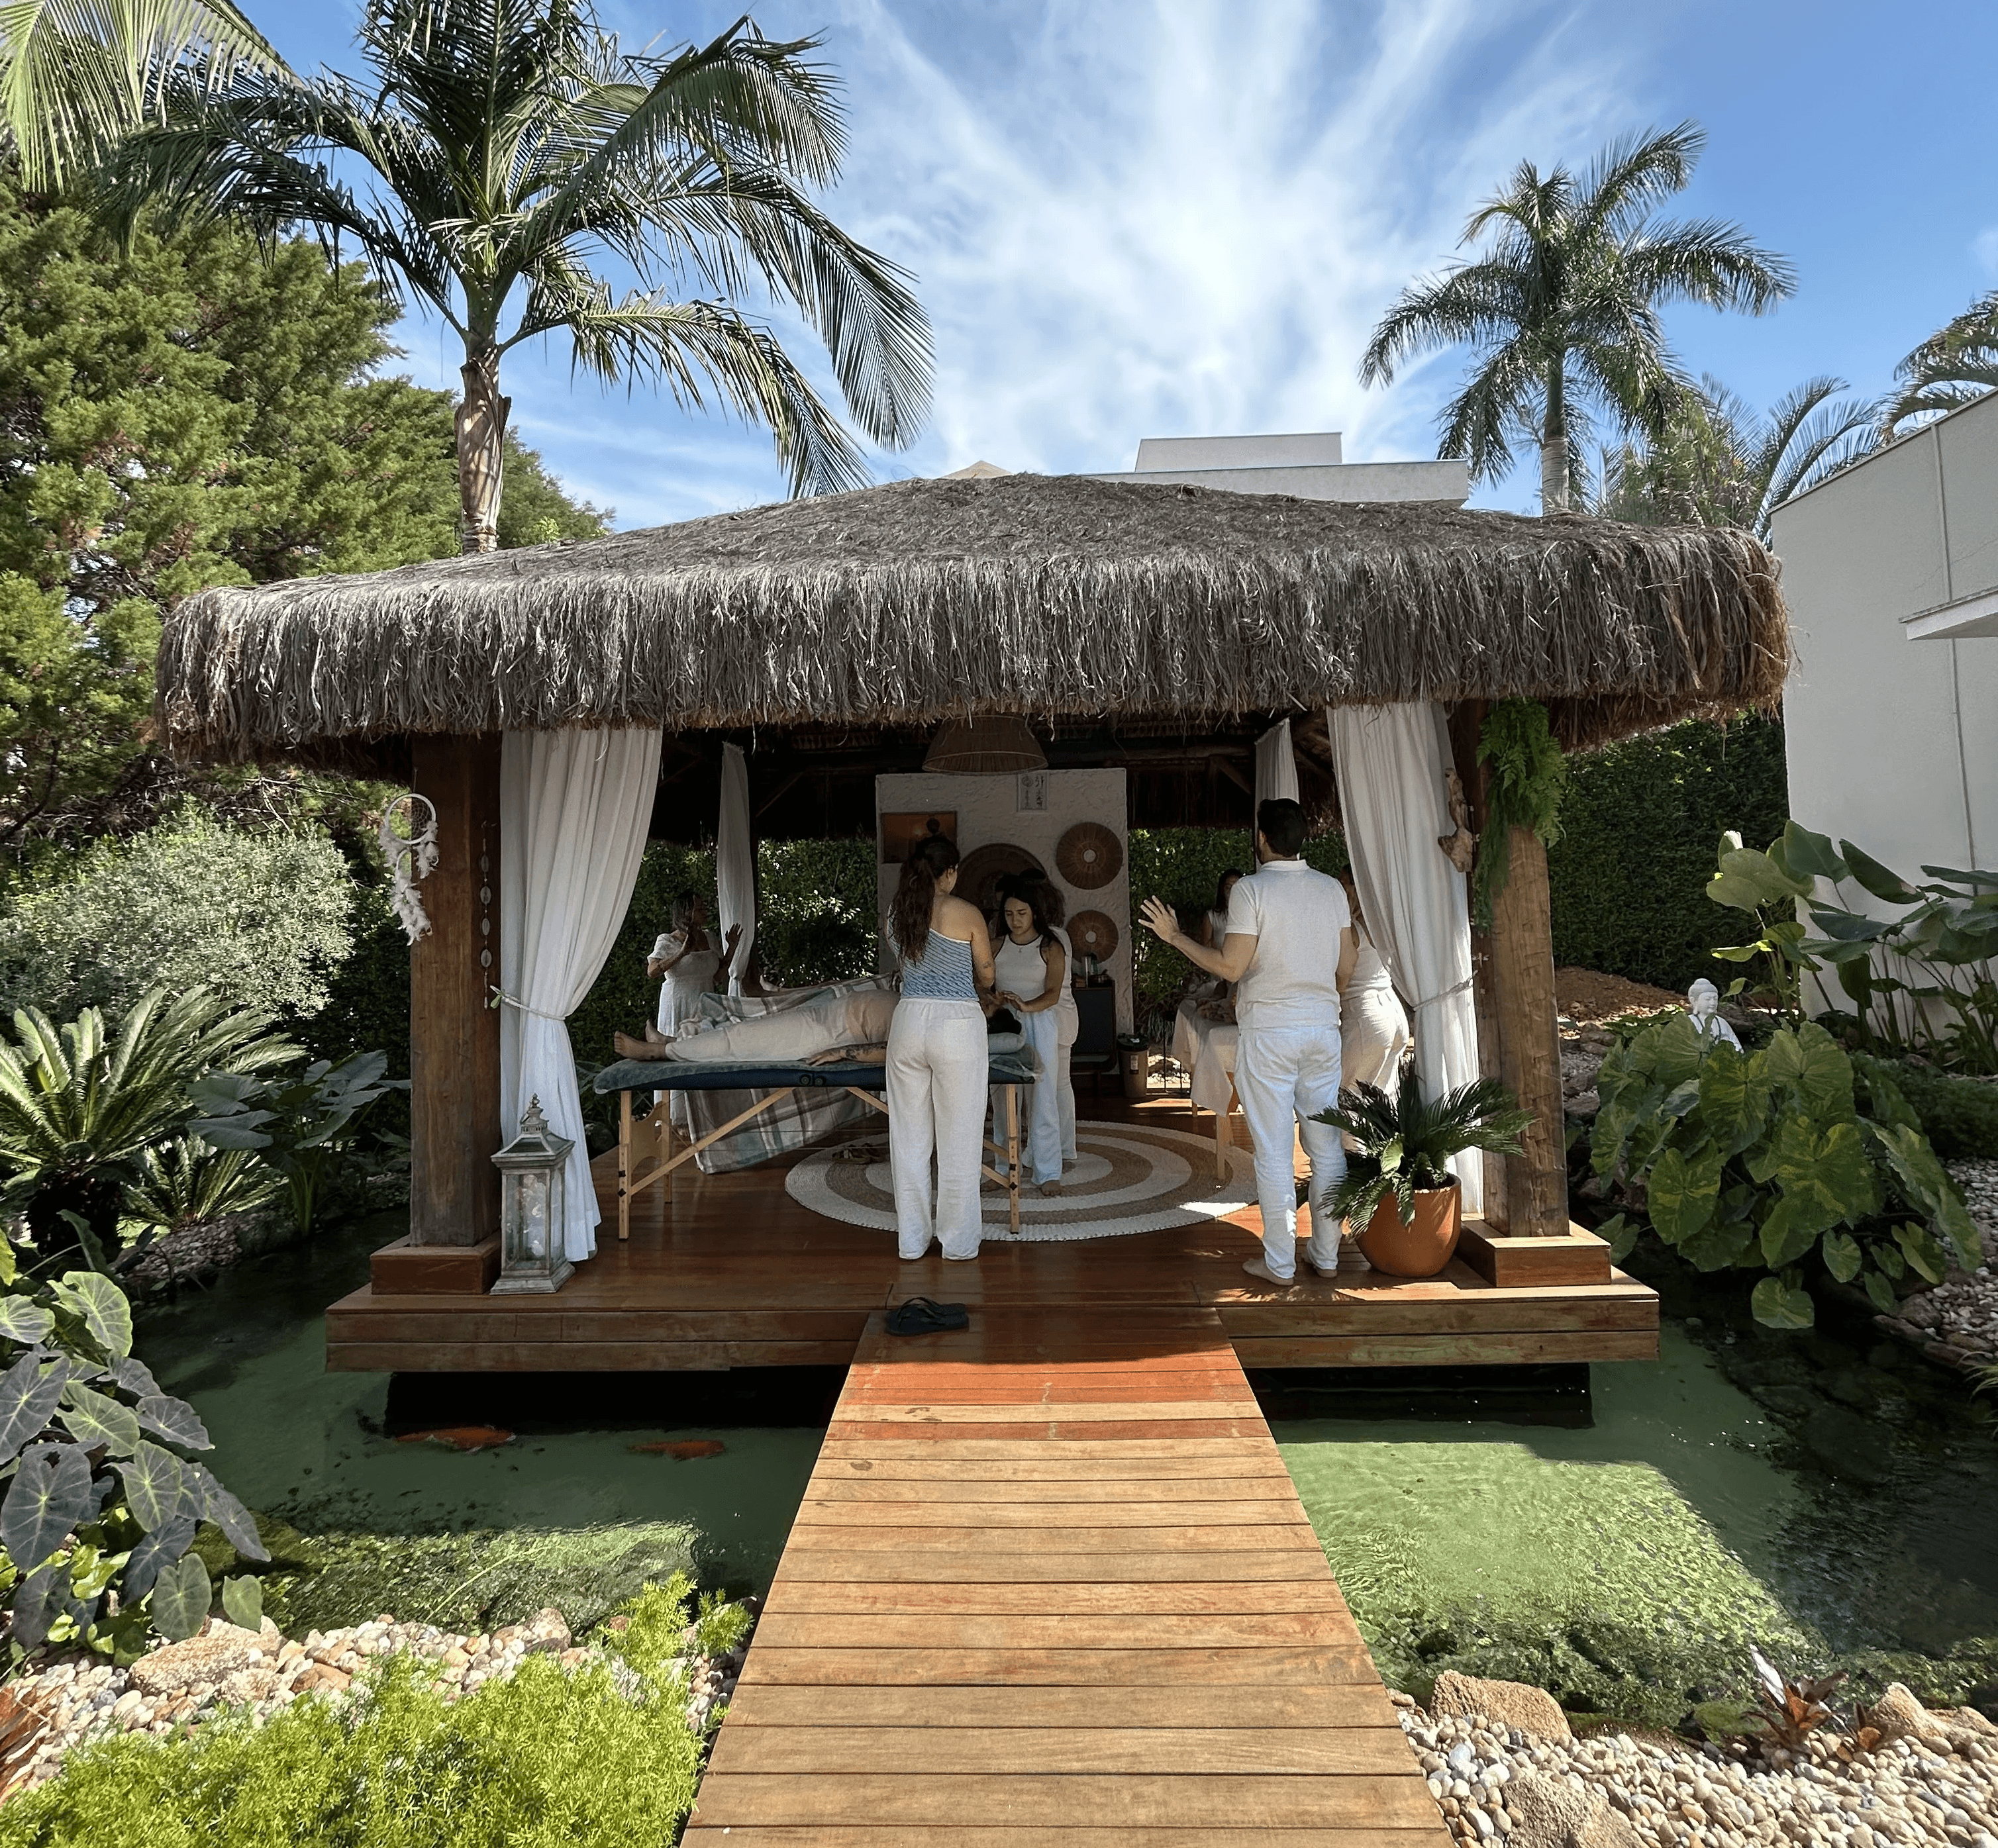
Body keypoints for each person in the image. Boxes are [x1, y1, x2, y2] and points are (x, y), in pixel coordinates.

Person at [1138, 798, 1354, 1288]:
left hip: (1270, 1033)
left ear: (1260, 839)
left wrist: (1175, 936)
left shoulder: (1251, 890)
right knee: (1326, 1147)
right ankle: (1326, 1255)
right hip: (1322, 1030)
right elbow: (1345, 968)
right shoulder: (1330, 890)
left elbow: (1231, 968)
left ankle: (1280, 1263)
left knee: (1274, 1150)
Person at [885, 834, 997, 1262]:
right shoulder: (966, 912)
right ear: (949, 872)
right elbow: (986, 975)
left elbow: (906, 962)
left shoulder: (897, 912)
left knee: (908, 1139)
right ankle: (958, 1243)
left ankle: (912, 1241)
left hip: (909, 1020)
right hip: (957, 1024)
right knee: (959, 1138)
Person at [987, 875, 1068, 1195]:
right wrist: (995, 1001)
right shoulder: (996, 946)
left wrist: (1027, 1005)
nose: (1015, 920)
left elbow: (1053, 993)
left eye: (1021, 913)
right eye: (1009, 914)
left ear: (1034, 912)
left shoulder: (1050, 947)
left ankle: (1048, 1171)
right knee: (1002, 1095)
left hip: (1040, 1022)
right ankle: (1003, 1166)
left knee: (1043, 1095)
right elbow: (981, 985)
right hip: (1005, 1023)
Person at [1336, 871, 1411, 1096]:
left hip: (1367, 1018)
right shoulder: (1382, 925)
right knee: (1383, 1099)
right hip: (1393, 1012)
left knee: (1350, 1098)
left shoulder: (1351, 930)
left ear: (1356, 888)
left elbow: (1343, 976)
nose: (1340, 888)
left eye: (1343, 883)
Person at [1032, 879, 1082, 1165]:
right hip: (1066, 1013)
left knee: (1044, 1087)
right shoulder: (1061, 935)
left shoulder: (1045, 939)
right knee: (1062, 1084)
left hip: (1050, 1014)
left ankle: (1044, 1150)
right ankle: (1065, 1148)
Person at [647, 895, 741, 1038]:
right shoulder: (667, 940)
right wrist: (682, 952)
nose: (705, 912)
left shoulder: (709, 938)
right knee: (676, 1046)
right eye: (700, 909)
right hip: (678, 1006)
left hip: (704, 1006)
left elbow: (717, 977)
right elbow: (652, 972)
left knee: (703, 1045)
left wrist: (732, 948)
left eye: (704, 908)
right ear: (686, 913)